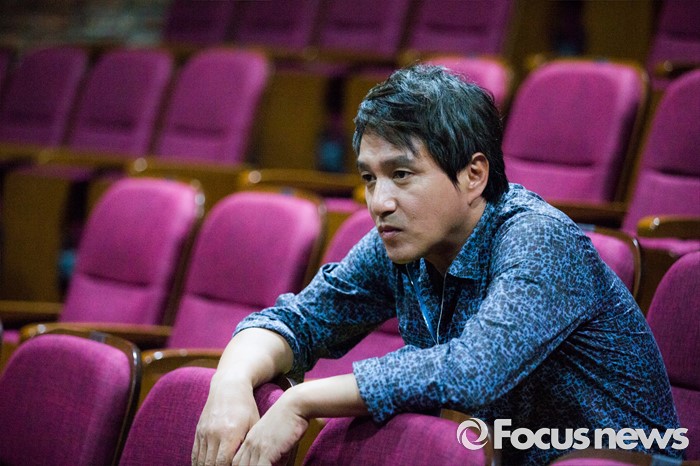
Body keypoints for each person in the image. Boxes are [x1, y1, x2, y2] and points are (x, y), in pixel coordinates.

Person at [192, 65, 681, 466]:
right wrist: (230, 382)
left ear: (473, 175)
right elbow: (299, 321)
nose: (379, 202)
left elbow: (473, 369)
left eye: (402, 174)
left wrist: (303, 399)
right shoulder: (402, 239)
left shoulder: (538, 239)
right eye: (369, 178)